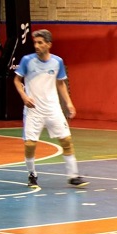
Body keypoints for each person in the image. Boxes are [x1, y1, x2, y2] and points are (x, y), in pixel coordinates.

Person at [13, 29, 88, 189]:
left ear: (48, 44)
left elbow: (60, 83)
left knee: (66, 140)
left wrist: (69, 103)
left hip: (53, 109)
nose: (37, 46)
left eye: (40, 43)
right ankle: (32, 174)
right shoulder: (27, 60)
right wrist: (24, 96)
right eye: (35, 43)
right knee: (30, 144)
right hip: (34, 110)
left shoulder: (57, 62)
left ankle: (73, 176)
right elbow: (17, 80)